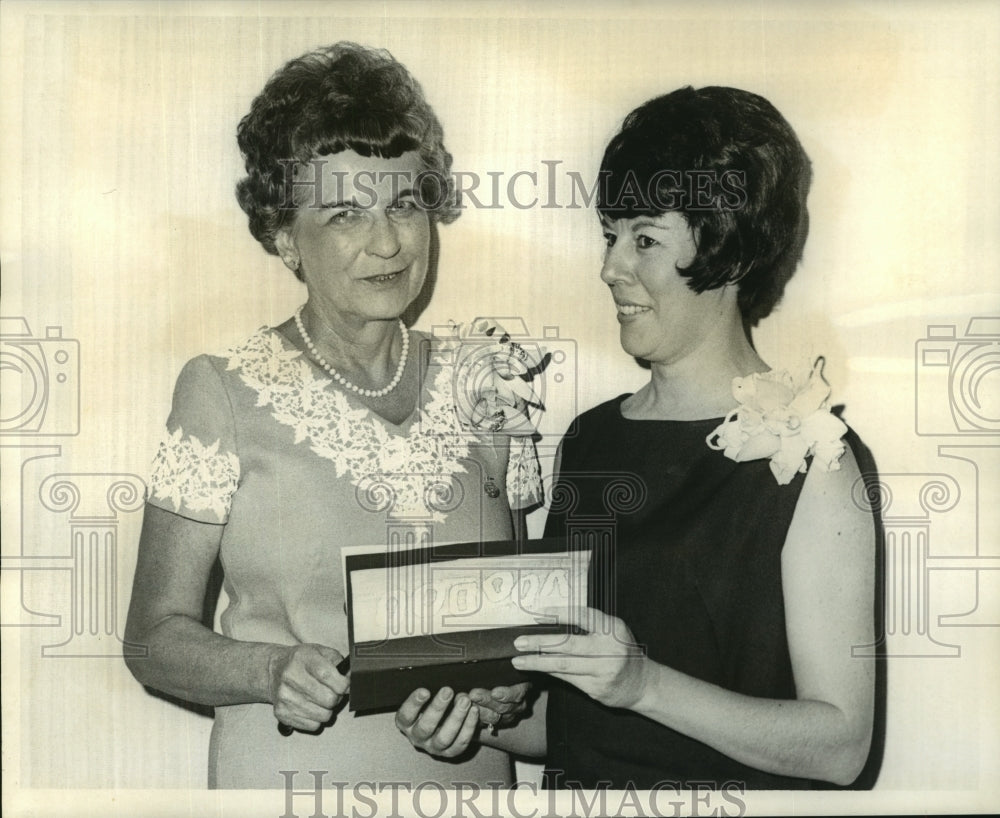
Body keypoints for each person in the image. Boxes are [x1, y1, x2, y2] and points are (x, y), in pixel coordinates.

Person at [397, 85, 885, 790]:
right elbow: (571, 726)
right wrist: (475, 719)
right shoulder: (591, 439)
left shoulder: (816, 456)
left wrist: (642, 685)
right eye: (611, 235)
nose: (610, 267)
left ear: (730, 250)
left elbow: (841, 746)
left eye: (645, 239)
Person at [125, 42, 538, 789]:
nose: (387, 243)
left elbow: (512, 634)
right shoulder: (221, 391)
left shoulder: (486, 382)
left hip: (470, 788)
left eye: (404, 205)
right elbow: (152, 639)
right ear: (286, 235)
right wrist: (266, 668)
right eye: (346, 213)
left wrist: (500, 693)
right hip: (293, 784)